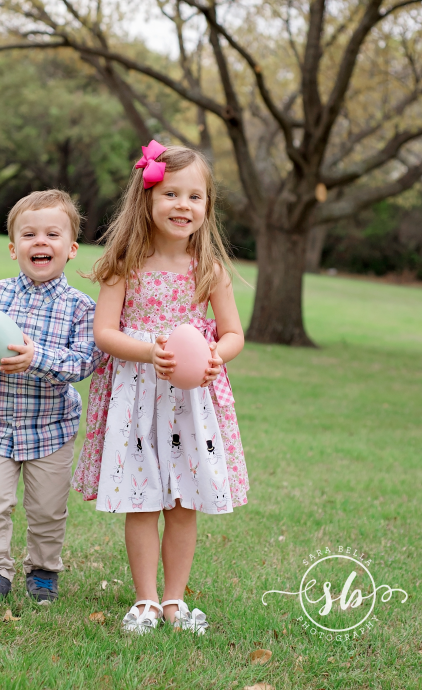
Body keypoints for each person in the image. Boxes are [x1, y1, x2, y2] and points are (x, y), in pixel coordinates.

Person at [73, 142, 249, 634]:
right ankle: (146, 601)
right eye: (171, 193)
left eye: (195, 196)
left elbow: (233, 332)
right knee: (143, 498)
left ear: (207, 207)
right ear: (146, 199)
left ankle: (175, 602)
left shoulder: (208, 268)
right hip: (137, 396)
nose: (183, 205)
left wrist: (216, 355)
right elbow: (105, 332)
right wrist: (149, 350)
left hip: (191, 403)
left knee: (183, 502)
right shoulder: (125, 261)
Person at [0, 190, 100, 606]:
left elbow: (82, 363)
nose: (40, 241)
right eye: (29, 234)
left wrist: (38, 358)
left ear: (71, 248)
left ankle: (43, 572)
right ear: (13, 247)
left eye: (52, 234)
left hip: (50, 428)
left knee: (48, 510)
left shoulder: (79, 308)